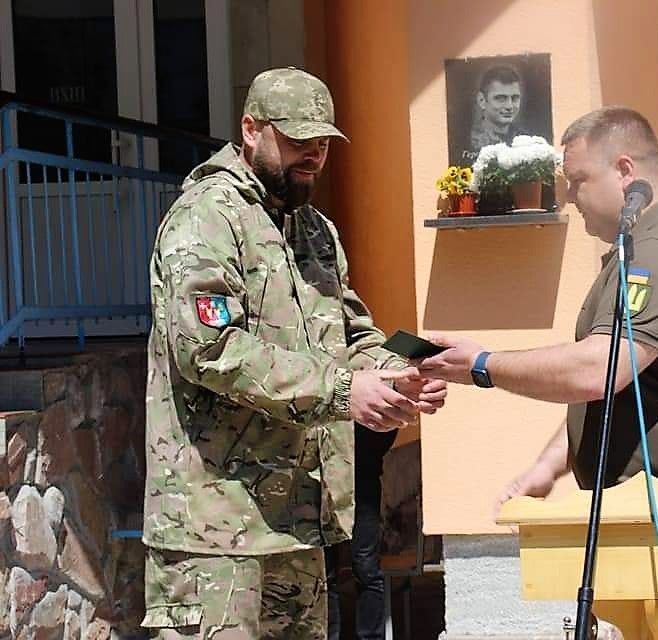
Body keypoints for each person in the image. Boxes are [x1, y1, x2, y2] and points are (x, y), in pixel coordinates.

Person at [419, 106, 658, 640]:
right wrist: (549, 465)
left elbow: (599, 369)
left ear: (626, 172)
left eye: (578, 180)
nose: (569, 196)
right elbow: (615, 388)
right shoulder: (636, 251)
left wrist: (482, 365)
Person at [141, 67, 446, 639]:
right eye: (298, 138)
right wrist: (342, 391)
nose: (314, 153)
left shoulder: (315, 231)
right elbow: (210, 348)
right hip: (215, 534)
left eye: (323, 141)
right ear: (250, 129)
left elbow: (354, 334)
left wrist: (397, 373)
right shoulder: (207, 217)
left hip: (298, 524)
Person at [324, 423, 397, 640]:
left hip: (362, 487)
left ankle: (371, 637)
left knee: (367, 570)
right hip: (325, 489)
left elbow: (387, 429)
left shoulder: (366, 401)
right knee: (326, 575)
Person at [461, 64, 524, 164]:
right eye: (501, 98)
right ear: (481, 100)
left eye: (515, 98)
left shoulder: (525, 141)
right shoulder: (466, 141)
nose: (509, 106)